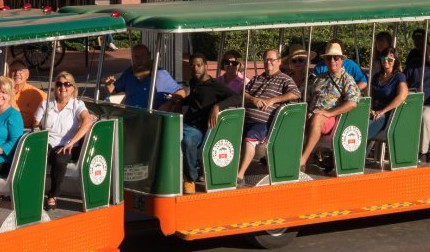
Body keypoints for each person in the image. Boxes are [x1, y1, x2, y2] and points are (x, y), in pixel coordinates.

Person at [170, 53, 239, 188]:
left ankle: (190, 178)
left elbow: (236, 97)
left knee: (188, 141)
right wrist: (180, 101)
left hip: (201, 128)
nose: (195, 68)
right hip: (186, 122)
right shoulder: (194, 82)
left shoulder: (215, 85)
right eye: (192, 66)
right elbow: (196, 99)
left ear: (206, 67)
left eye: (199, 65)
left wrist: (217, 106)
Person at [298, 42, 361, 172]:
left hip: (329, 119)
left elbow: (353, 101)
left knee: (318, 118)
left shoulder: (347, 79)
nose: (332, 61)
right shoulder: (318, 78)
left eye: (335, 58)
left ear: (341, 60)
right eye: (328, 58)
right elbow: (303, 95)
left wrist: (330, 113)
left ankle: (303, 160)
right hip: (310, 114)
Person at [238, 46, 300, 178]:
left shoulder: (285, 79)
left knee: (250, 136)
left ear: (279, 62)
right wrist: (253, 99)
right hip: (244, 119)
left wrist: (273, 100)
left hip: (264, 123)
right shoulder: (256, 79)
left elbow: (295, 93)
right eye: (266, 60)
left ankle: (240, 175)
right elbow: (242, 93)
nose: (268, 62)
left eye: (272, 60)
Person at [41, 71, 96, 204]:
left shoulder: (77, 105)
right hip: (47, 142)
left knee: (60, 158)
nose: (63, 87)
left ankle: (53, 194)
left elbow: (87, 121)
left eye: (67, 84)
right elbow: (35, 123)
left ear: (73, 88)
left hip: (67, 144)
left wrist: (71, 142)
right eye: (59, 84)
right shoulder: (47, 103)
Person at [109, 43, 181, 110]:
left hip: (151, 118)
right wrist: (109, 84)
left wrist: (169, 103)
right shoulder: (128, 73)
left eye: (142, 56)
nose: (138, 59)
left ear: (149, 56)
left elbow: (181, 92)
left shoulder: (160, 74)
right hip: (130, 116)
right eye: (135, 56)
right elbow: (113, 91)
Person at [367, 48, 409, 141]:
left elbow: (402, 96)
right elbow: (370, 97)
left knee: (362, 133)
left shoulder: (399, 76)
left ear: (395, 61)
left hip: (387, 115)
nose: (386, 61)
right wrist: (370, 110)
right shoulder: (376, 77)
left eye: (390, 59)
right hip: (373, 113)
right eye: (383, 58)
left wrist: (383, 111)